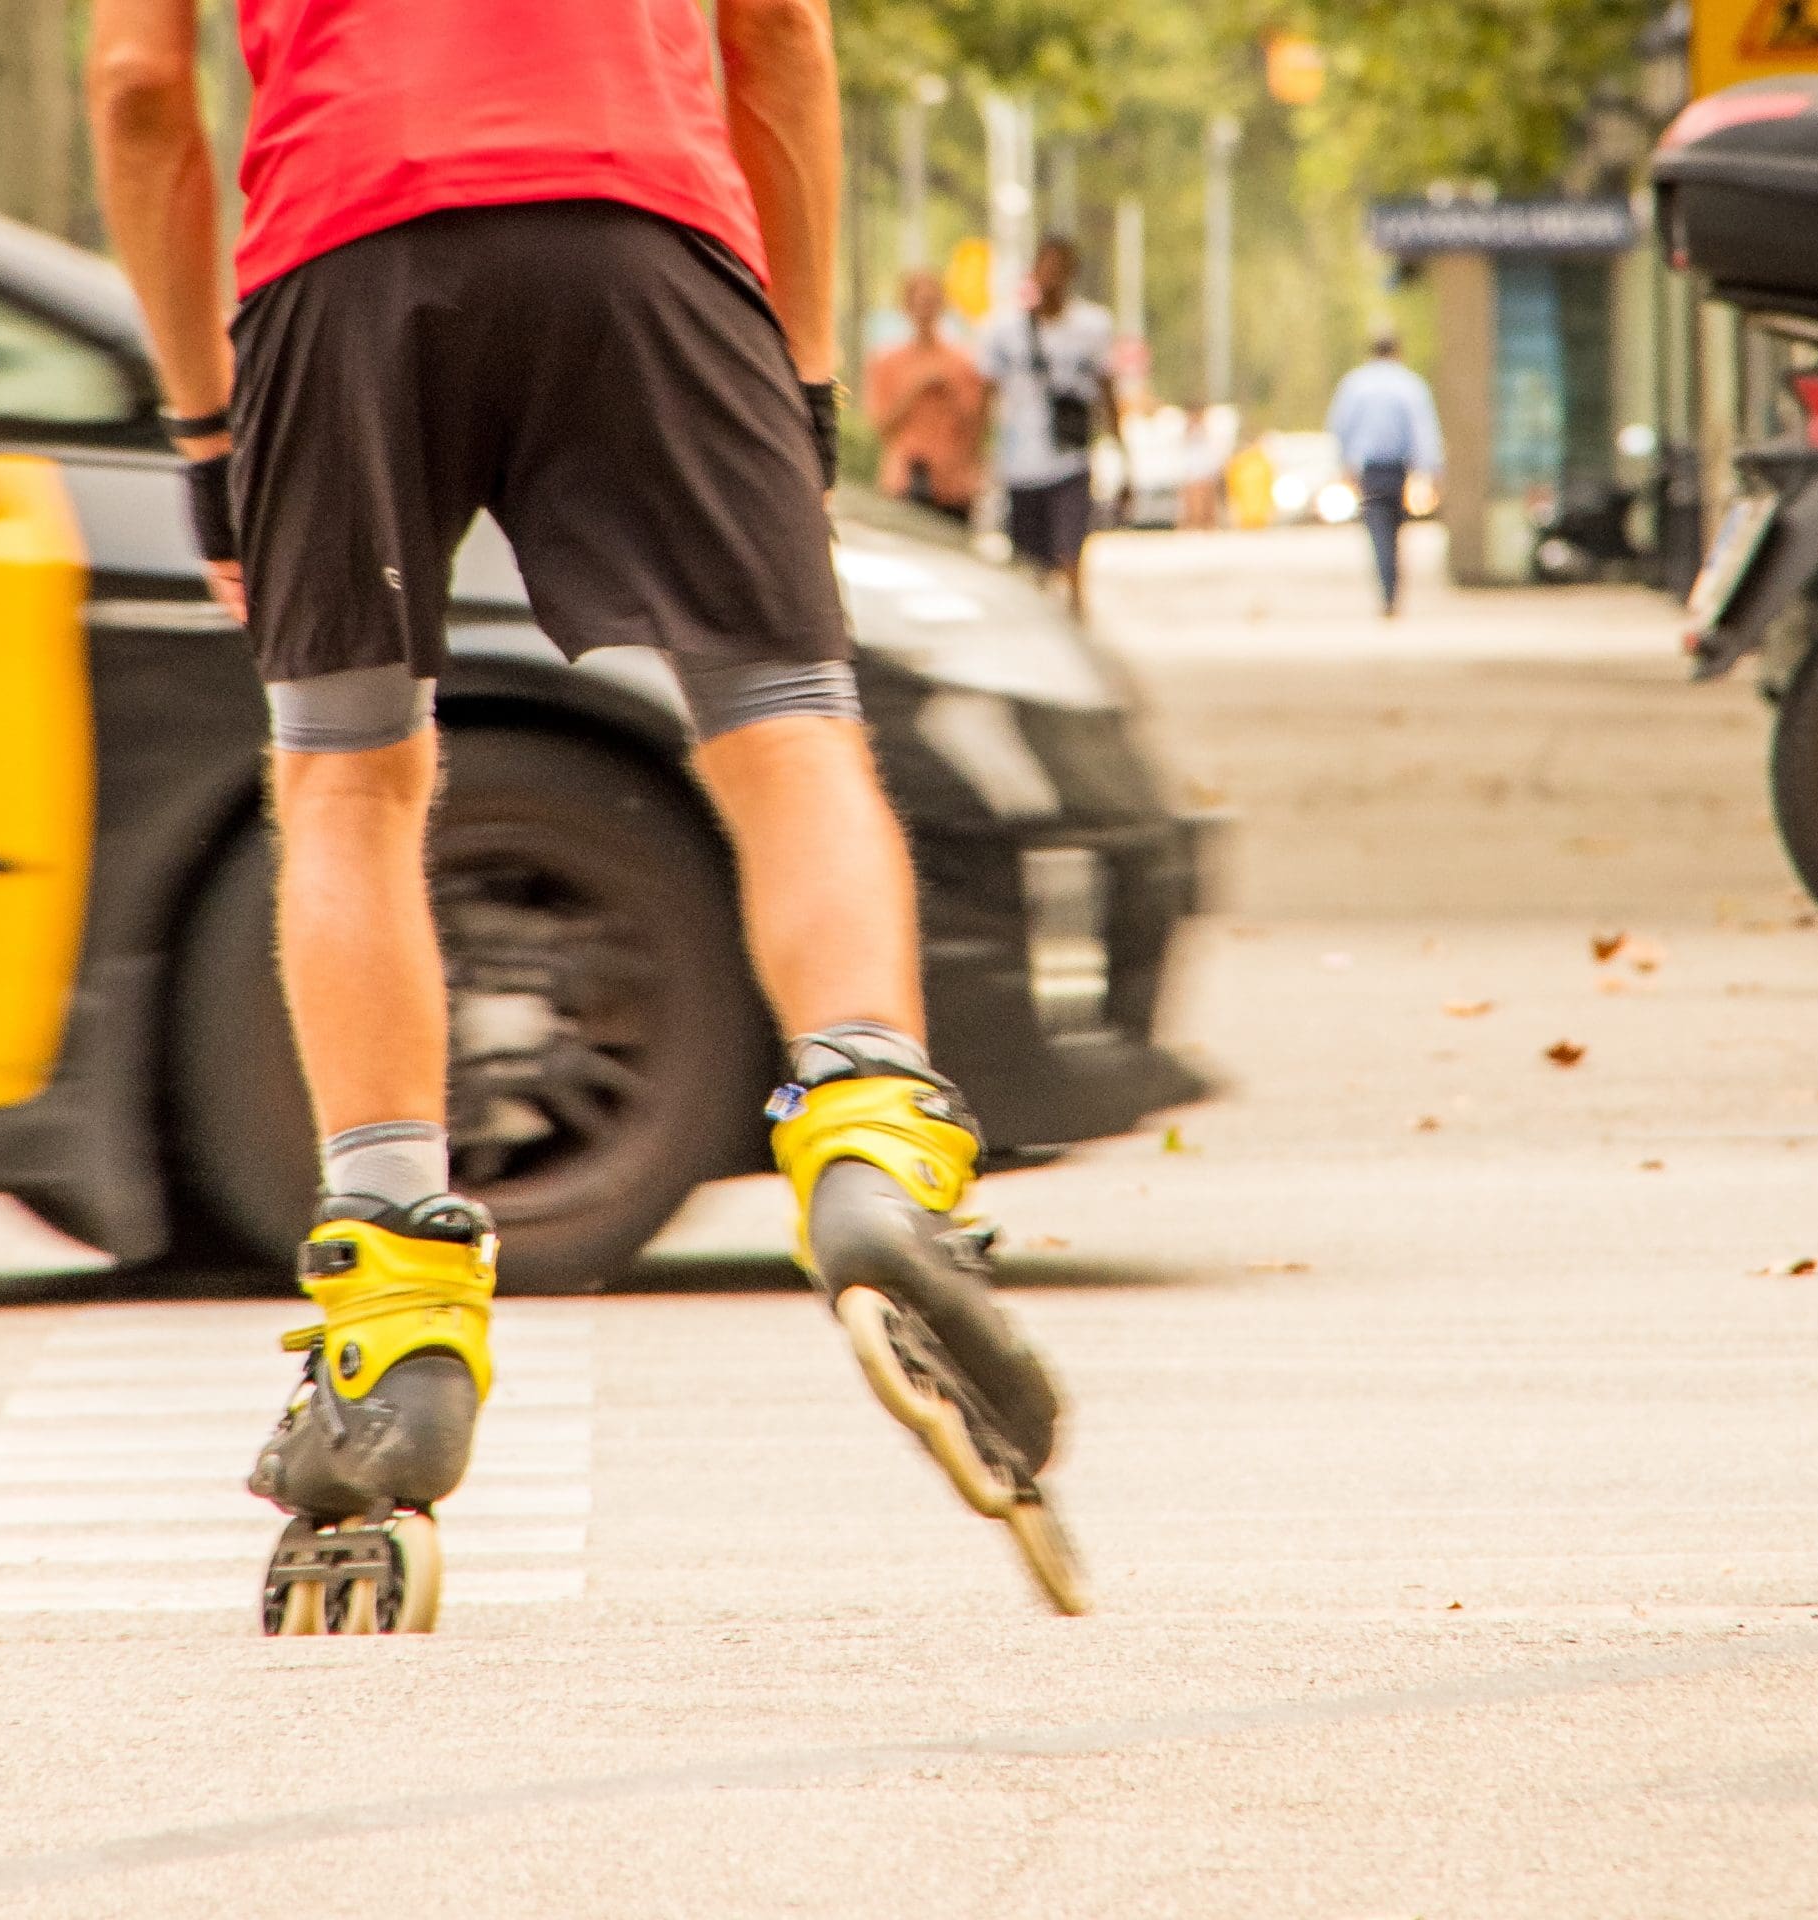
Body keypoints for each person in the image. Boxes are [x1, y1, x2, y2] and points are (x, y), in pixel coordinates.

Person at [88, 0, 1078, 1631]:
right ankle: (878, 1148)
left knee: (349, 783)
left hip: (340, 254)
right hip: (649, 231)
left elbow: (140, 91)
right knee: (783, 727)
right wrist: (802, 371)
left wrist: (206, 427)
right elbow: (780, 36)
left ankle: (392, 1330)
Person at [979, 235, 1125, 616]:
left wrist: (1122, 452)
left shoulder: (1092, 326)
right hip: (1020, 461)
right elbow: (986, 394)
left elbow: (1107, 391)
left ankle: (1078, 612)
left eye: (1060, 269)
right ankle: (1039, 621)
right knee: (1031, 559)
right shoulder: (1005, 330)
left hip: (1070, 455)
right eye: (1045, 268)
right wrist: (978, 455)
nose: (1052, 278)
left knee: (1071, 543)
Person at [1326, 331, 1444, 616]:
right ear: (1398, 352)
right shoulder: (1411, 385)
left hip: (1370, 470)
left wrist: (1344, 464)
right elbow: (1423, 430)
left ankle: (1387, 588)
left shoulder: (1355, 385)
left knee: (1377, 528)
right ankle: (1393, 587)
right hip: (1399, 470)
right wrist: (1431, 470)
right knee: (1396, 530)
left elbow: (1339, 426)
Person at [864, 269, 985, 526]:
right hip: (904, 481)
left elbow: (976, 427)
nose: (926, 310)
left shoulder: (964, 362)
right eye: (920, 302)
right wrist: (915, 390)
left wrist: (949, 392)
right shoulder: (887, 362)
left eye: (932, 301)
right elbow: (882, 427)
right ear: (907, 306)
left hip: (953, 487)